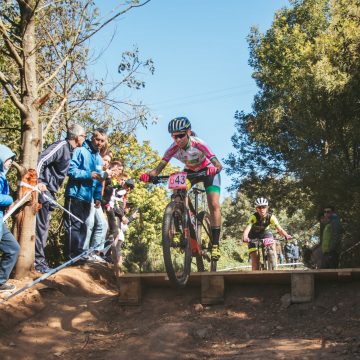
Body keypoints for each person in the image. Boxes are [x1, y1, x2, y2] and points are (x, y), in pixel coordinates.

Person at [139, 117, 223, 260]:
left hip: (207, 171)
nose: (177, 139)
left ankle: (215, 244)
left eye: (180, 135)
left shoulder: (199, 144)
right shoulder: (172, 148)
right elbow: (158, 168)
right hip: (191, 172)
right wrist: (148, 176)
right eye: (173, 136)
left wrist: (214, 169)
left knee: (214, 204)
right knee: (177, 191)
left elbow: (218, 165)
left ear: (188, 132)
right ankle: (179, 223)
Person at [35, 124, 86, 273]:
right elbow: (41, 160)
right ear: (77, 137)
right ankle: (38, 263)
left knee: (44, 226)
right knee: (41, 227)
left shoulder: (71, 152)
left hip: (51, 192)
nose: (84, 139)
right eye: (84, 136)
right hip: (42, 190)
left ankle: (39, 262)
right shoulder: (61, 146)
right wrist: (38, 181)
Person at [63, 129, 106, 260]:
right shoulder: (80, 151)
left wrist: (98, 197)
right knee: (73, 226)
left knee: (83, 227)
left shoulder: (99, 159)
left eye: (102, 141)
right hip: (75, 195)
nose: (99, 143)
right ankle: (70, 257)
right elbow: (70, 170)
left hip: (88, 198)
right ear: (92, 138)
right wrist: (88, 174)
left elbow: (99, 180)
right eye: (97, 139)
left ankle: (79, 255)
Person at [242, 197, 291, 270]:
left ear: (267, 207)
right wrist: (245, 237)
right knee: (255, 259)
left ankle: (274, 265)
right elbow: (247, 229)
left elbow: (280, 229)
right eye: (259, 207)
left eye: (264, 207)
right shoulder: (253, 217)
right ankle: (255, 277)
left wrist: (286, 235)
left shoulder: (271, 217)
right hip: (253, 235)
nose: (262, 209)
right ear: (256, 209)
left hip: (265, 233)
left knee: (272, 245)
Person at [0, 145, 20, 292]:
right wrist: (9, 199)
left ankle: (0, 281)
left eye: (12, 160)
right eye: (8, 159)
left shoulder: (3, 177)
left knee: (13, 248)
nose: (10, 163)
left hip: (1, 220)